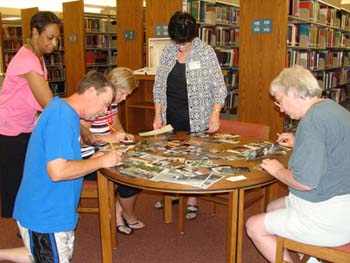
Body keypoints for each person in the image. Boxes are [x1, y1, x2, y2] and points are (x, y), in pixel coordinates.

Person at [0, 70, 122, 263]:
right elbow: (57, 171)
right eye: (105, 103)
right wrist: (101, 161)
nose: (105, 111)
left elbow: (64, 154)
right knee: (50, 256)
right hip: (45, 215)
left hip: (54, 210)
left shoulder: (65, 111)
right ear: (91, 92)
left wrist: (96, 158)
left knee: (41, 254)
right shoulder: (61, 117)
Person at [245, 65, 350, 263]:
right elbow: (332, 148)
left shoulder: (310, 122)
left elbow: (305, 183)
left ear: (294, 92)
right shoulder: (333, 108)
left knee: (253, 226)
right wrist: (299, 142)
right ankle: (311, 259)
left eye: (280, 101)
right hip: (344, 204)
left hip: (328, 217)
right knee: (273, 206)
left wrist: (278, 171)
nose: (281, 109)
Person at [152, 11, 227, 220]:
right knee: (171, 156)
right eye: (177, 42)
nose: (180, 46)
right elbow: (159, 86)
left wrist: (215, 114)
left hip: (198, 115)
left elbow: (219, 88)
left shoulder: (206, 52)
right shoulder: (168, 51)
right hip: (171, 114)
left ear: (194, 36)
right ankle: (172, 193)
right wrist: (158, 114)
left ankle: (192, 199)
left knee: (194, 157)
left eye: (184, 42)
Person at [0, 11, 62, 218]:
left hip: (25, 126)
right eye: (50, 38)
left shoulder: (37, 56)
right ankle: (25, 232)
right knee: (15, 184)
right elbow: (48, 103)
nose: (54, 44)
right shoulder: (27, 60)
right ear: (35, 33)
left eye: (57, 38)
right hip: (10, 130)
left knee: (27, 180)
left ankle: (28, 228)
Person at [80, 67, 144, 235]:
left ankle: (119, 210)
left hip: (107, 151)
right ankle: (126, 215)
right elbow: (80, 139)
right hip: (89, 159)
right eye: (123, 93)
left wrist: (122, 136)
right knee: (131, 176)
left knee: (141, 166)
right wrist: (108, 139)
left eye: (127, 95)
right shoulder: (93, 106)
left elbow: (114, 124)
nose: (124, 99)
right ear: (111, 86)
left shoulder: (112, 103)